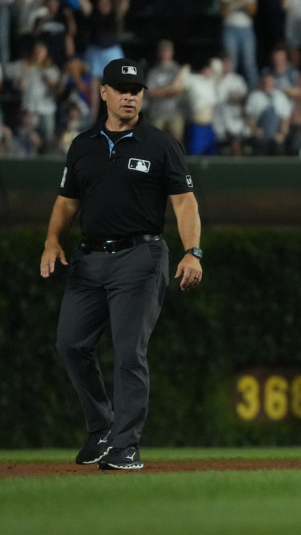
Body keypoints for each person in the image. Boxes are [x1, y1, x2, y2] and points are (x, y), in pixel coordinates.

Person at [40, 57, 202, 471]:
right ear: (104, 93)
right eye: (121, 89)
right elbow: (66, 203)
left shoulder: (160, 144)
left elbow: (185, 203)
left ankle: (126, 446)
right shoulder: (83, 145)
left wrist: (192, 251)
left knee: (129, 352)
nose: (129, 96)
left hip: (140, 256)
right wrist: (52, 241)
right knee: (70, 343)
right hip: (89, 259)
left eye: (136, 90)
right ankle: (102, 428)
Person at [7, 42, 61, 151]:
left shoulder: (51, 68)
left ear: (46, 53)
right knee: (30, 138)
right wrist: (24, 69)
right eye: (36, 51)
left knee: (48, 136)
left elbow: (57, 87)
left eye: (41, 52)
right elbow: (8, 72)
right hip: (30, 108)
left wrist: (45, 73)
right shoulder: (25, 66)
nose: (38, 54)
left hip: (46, 108)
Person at [219, 0, 259, 88]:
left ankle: (253, 89)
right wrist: (233, 1)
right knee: (231, 62)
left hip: (246, 30)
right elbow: (223, 12)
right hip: (230, 30)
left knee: (249, 62)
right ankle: (229, 89)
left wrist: (245, 2)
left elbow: (252, 12)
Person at [146, 40, 186, 143]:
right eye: (163, 51)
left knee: (176, 143)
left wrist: (161, 92)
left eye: (167, 51)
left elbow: (178, 91)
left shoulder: (177, 70)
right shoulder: (154, 72)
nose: (165, 54)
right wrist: (169, 90)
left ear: (172, 53)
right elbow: (151, 94)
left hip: (175, 112)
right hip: (157, 112)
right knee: (155, 142)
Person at [245, 71, 292, 155]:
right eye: (265, 82)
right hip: (260, 134)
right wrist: (255, 130)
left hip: (276, 135)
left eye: (269, 82)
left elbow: (285, 119)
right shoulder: (255, 96)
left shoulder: (280, 97)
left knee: (279, 146)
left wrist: (282, 134)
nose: (267, 84)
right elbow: (249, 118)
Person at [212, 54, 250, 156]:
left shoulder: (237, 80)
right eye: (223, 63)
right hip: (217, 123)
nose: (226, 66)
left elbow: (245, 97)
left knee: (236, 149)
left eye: (228, 63)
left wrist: (236, 96)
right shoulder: (213, 79)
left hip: (235, 122)